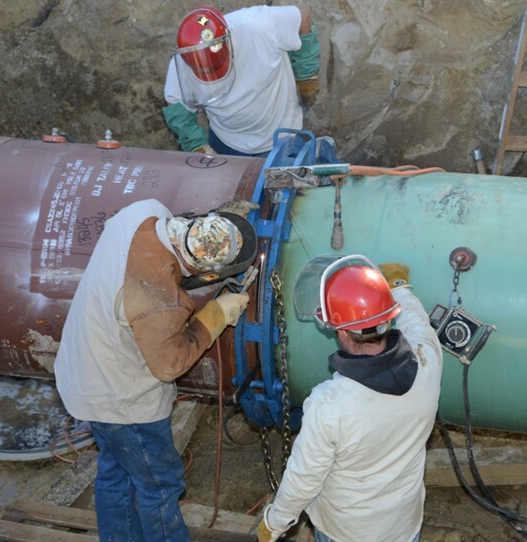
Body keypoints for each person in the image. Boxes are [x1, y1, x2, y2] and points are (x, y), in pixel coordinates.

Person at [54, 198, 254, 542]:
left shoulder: (143, 211)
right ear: (202, 273)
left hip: (83, 373)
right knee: (160, 485)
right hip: (123, 403)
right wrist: (214, 316)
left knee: (116, 471)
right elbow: (168, 365)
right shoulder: (158, 300)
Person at [256, 256, 444, 542]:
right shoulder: (428, 363)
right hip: (402, 527)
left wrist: (274, 522)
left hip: (346, 532)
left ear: (342, 331)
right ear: (387, 320)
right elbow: (419, 325)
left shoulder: (330, 404)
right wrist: (399, 289)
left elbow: (304, 478)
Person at [162, 5, 321, 157]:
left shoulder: (258, 25)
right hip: (225, 141)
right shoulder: (182, 64)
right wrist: (197, 146)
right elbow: (176, 107)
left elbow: (303, 18)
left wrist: (305, 76)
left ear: (228, 42)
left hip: (282, 136)